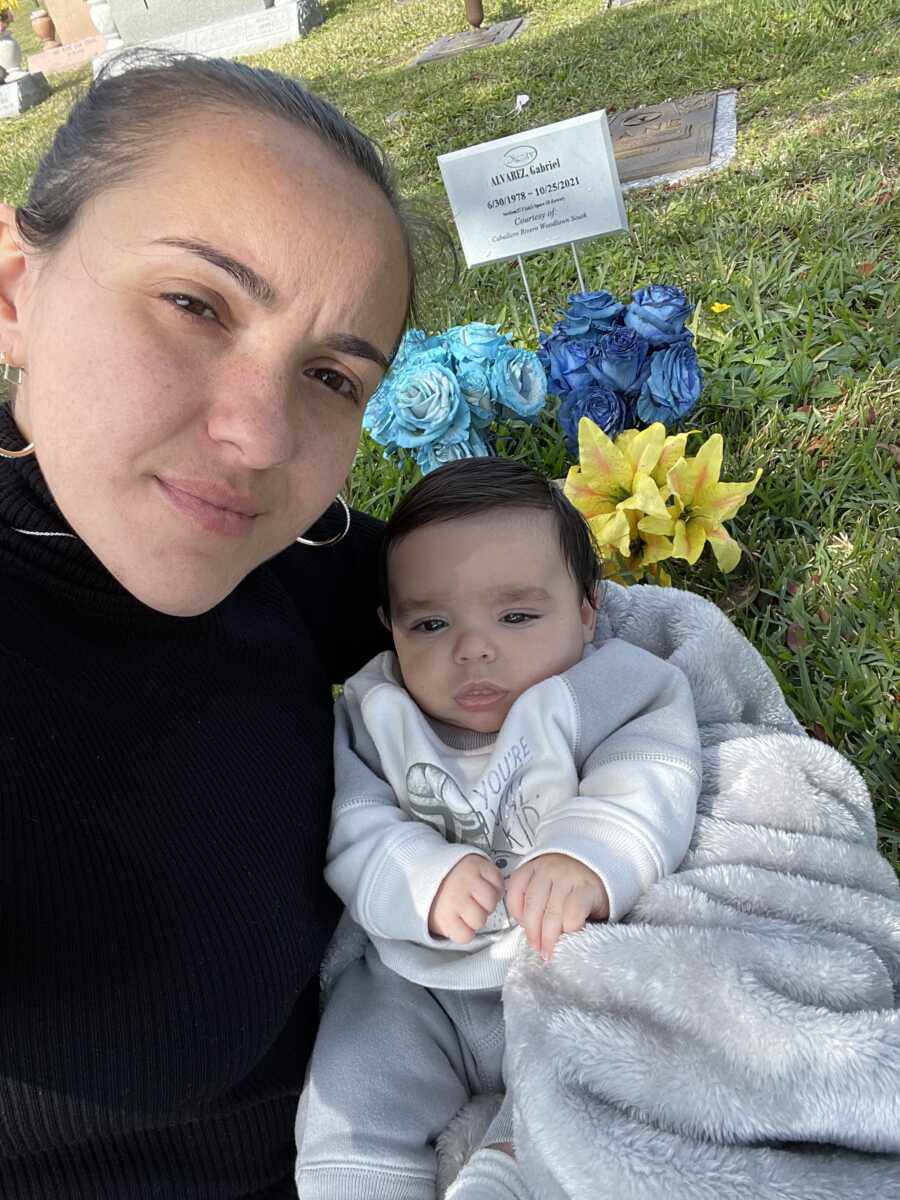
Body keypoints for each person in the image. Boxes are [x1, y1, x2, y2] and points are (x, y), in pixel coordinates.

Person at [0, 51, 438, 1199]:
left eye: (333, 377)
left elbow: (473, 589)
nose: (260, 437)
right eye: (196, 304)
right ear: (13, 288)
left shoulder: (279, 549)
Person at [295, 458, 703, 1200]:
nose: (473, 647)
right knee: (352, 1078)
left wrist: (585, 854)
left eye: (516, 616)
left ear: (586, 609)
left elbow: (652, 770)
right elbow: (354, 824)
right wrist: (421, 873)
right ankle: (356, 1179)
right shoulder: (377, 710)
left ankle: (512, 1172)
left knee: (599, 1071)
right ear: (389, 628)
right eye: (431, 622)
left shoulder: (612, 685)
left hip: (562, 962)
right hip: (416, 979)